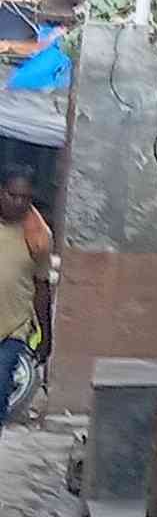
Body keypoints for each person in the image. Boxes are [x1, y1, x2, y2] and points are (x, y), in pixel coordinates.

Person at [0, 162, 54, 426]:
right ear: (1, 192)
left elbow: (42, 286)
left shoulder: (38, 236)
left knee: (1, 385)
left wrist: (46, 334)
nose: (19, 203)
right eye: (13, 195)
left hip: (14, 328)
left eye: (26, 197)